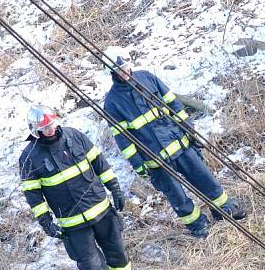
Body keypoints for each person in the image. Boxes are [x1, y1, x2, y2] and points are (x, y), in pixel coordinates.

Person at [19, 104, 146, 270]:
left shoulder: (75, 136)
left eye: (51, 124)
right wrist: (45, 221)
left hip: (102, 210)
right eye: (44, 128)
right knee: (92, 267)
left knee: (118, 254)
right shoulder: (29, 157)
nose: (50, 130)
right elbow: (33, 194)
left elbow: (100, 164)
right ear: (35, 131)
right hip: (73, 223)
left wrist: (114, 188)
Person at [101, 47, 246, 238]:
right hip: (155, 159)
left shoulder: (147, 78)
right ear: (111, 72)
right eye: (119, 69)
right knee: (177, 196)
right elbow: (123, 139)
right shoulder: (112, 103)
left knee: (204, 178)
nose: (125, 72)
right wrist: (138, 164)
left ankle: (225, 209)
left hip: (180, 143)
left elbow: (174, 104)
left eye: (126, 66)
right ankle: (198, 225)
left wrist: (189, 129)